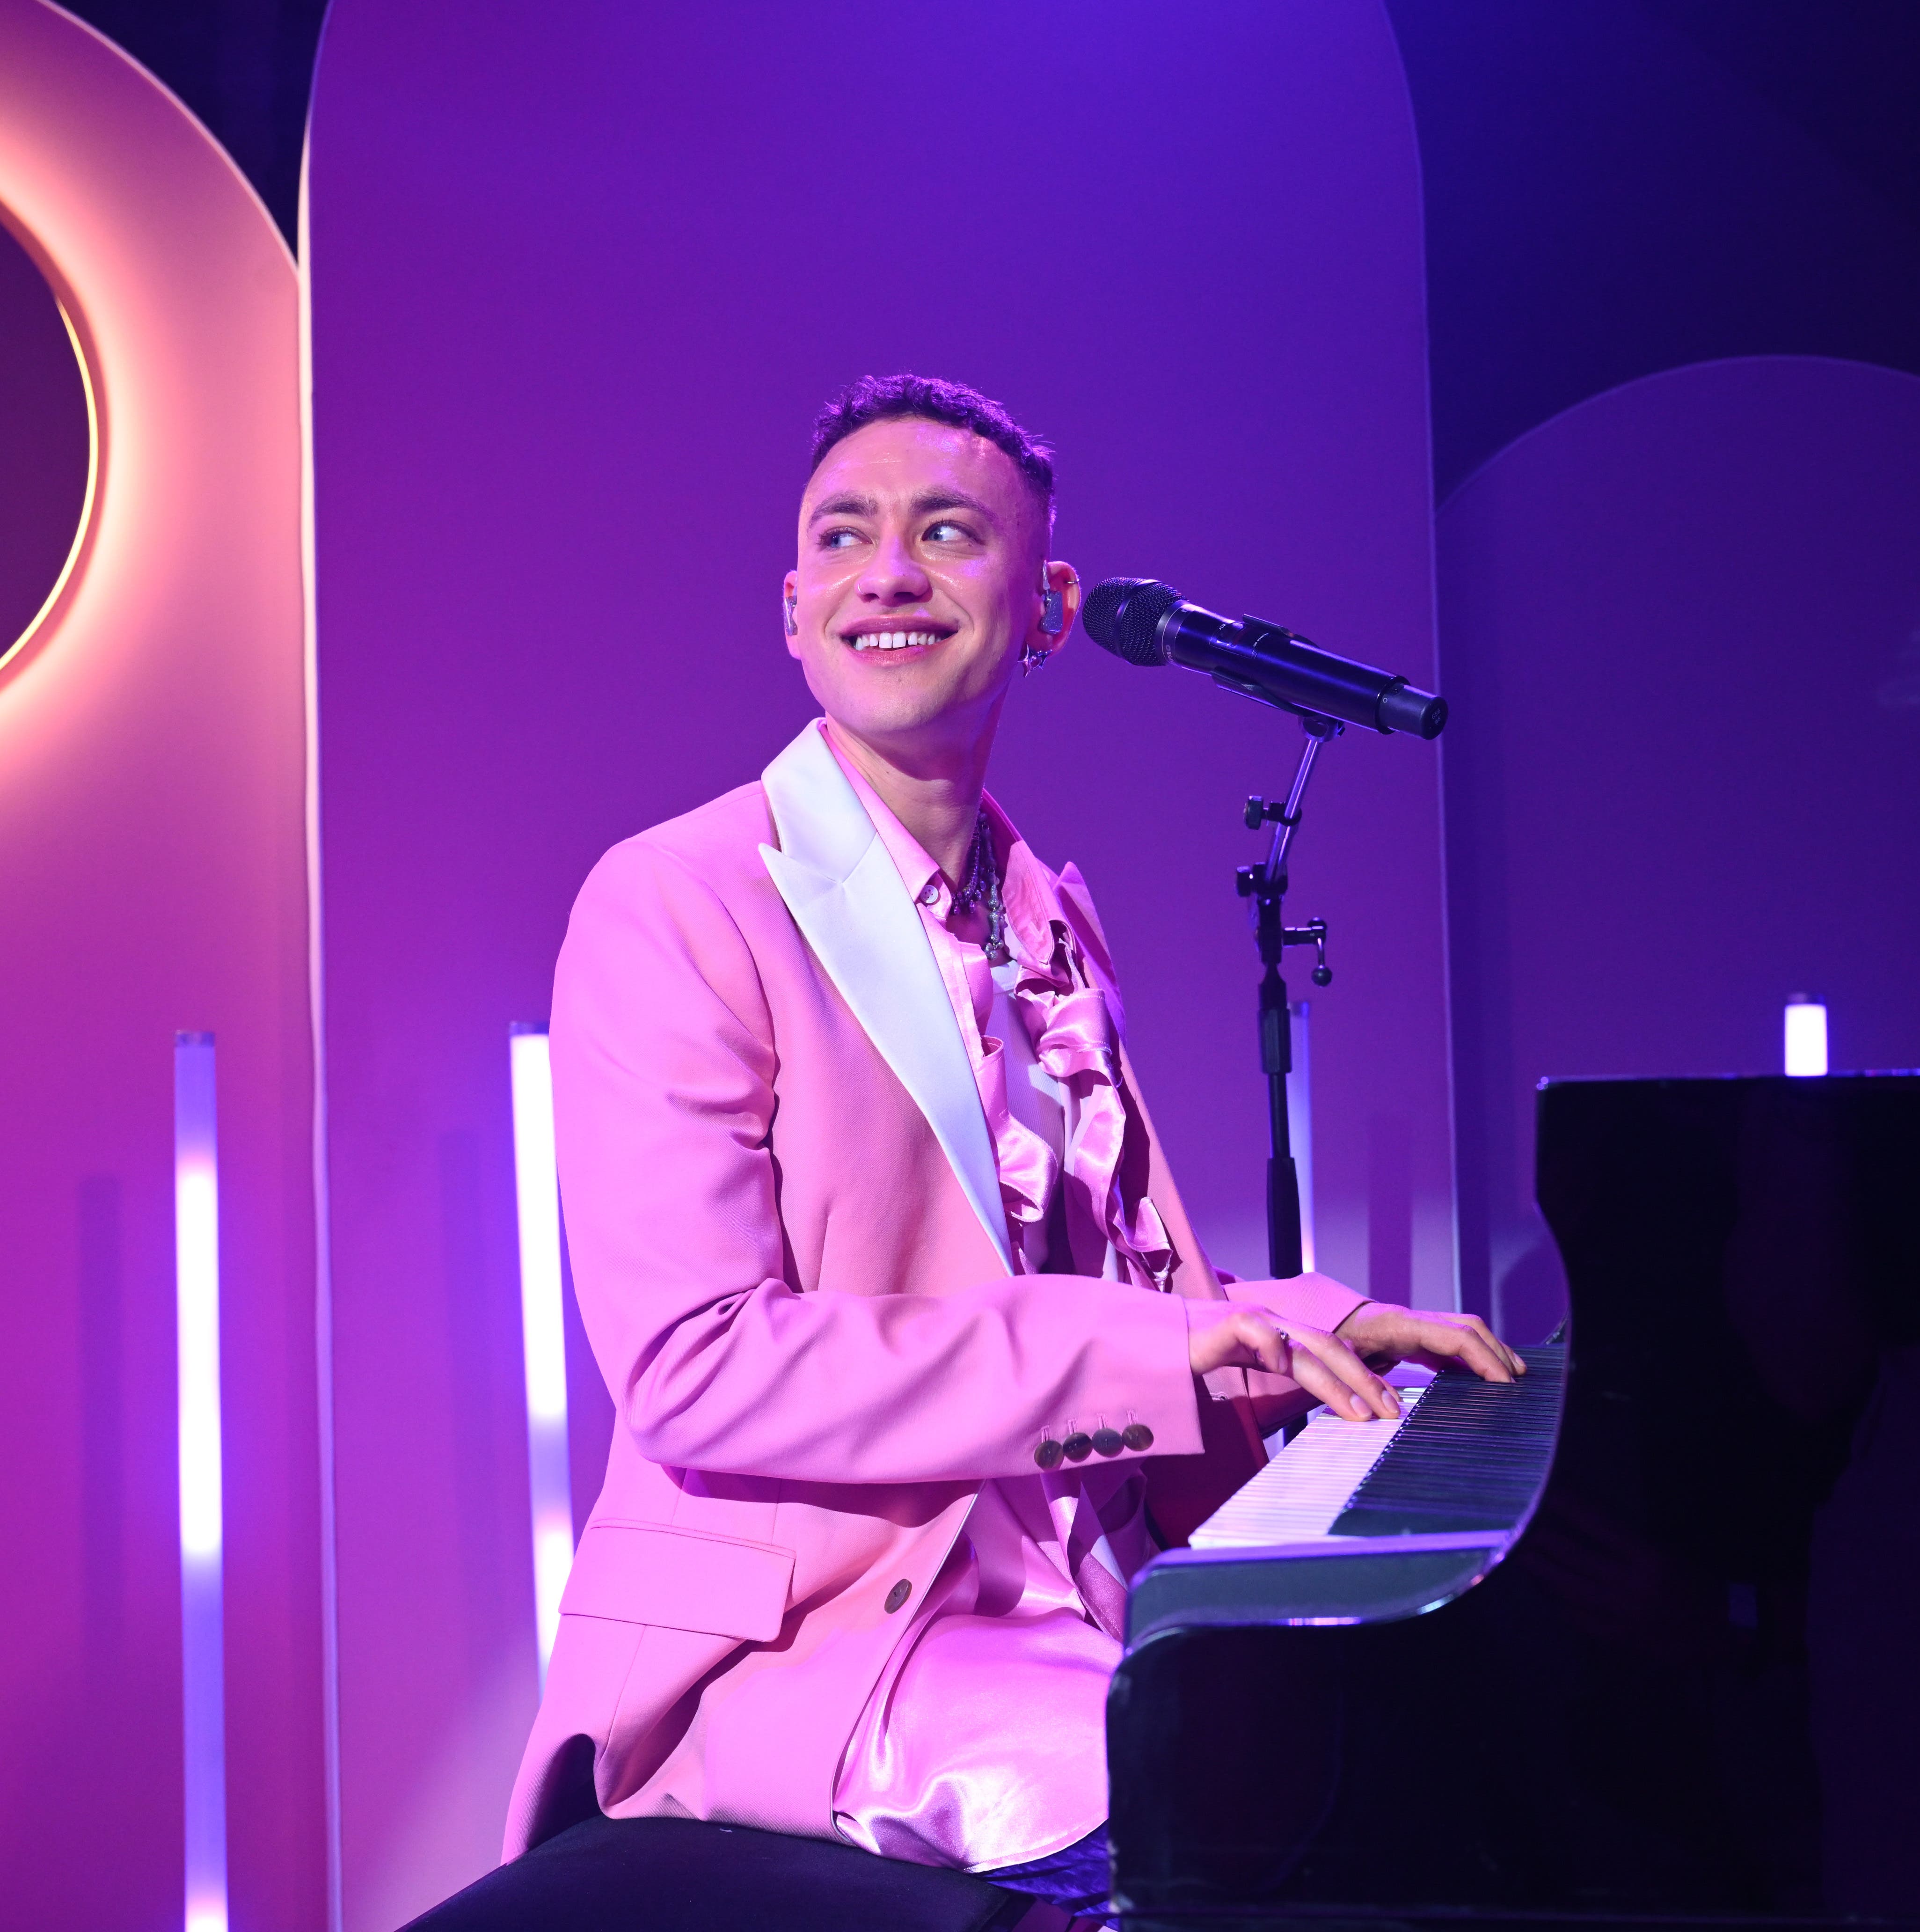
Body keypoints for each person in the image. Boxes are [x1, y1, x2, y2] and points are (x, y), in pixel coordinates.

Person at [504, 374, 1519, 1925]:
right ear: (794, 611)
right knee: (1217, 1812)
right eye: (844, 539)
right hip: (827, 1642)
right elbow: (698, 1367)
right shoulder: (677, 902)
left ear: (1046, 607)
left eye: (946, 534)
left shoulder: (1047, 910)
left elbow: (1126, 1278)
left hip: (1078, 1591)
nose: (889, 574)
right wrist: (1160, 1346)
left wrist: (1324, 1321)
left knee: (1428, 1752)